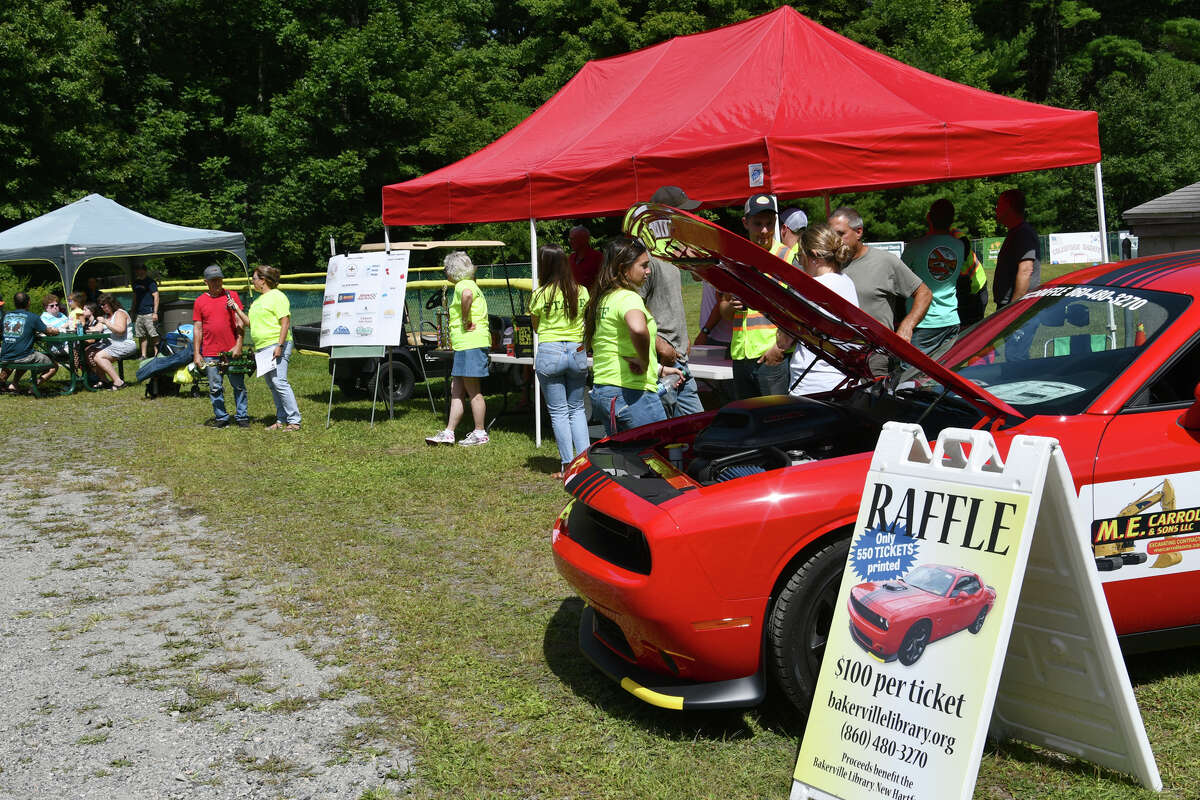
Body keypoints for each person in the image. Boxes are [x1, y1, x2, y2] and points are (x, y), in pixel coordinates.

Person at [585, 236, 682, 435]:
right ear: (623, 268)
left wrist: (658, 369)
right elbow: (638, 329)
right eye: (643, 266)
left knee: (627, 461)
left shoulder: (605, 298)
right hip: (631, 394)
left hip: (605, 392)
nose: (648, 271)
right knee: (659, 453)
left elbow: (616, 346)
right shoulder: (629, 297)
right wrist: (644, 361)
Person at [830, 206, 931, 376]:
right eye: (831, 235)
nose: (835, 241)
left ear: (859, 232)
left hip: (876, 358)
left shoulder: (885, 262)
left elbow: (924, 293)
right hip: (837, 354)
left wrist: (907, 325)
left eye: (841, 234)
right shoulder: (830, 264)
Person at [640, 185, 704, 417]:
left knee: (695, 423)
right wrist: (659, 344)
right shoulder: (645, 257)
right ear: (665, 216)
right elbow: (632, 307)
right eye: (682, 213)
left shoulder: (670, 252)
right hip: (661, 362)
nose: (688, 218)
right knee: (666, 430)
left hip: (679, 359)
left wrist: (683, 338)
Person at [776, 224, 861, 396]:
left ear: (814, 256)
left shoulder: (811, 289)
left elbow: (783, 342)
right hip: (844, 379)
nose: (800, 263)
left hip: (812, 383)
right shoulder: (846, 281)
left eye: (800, 257)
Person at [720, 194, 789, 398]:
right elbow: (724, 310)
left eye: (769, 223)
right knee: (751, 423)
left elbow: (800, 313)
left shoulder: (787, 259)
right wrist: (731, 306)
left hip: (771, 357)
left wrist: (779, 348)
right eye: (758, 224)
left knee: (776, 423)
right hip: (741, 356)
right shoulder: (735, 260)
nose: (764, 230)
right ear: (745, 223)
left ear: (776, 222)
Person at [529, 244, 589, 476]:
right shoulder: (581, 291)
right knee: (577, 409)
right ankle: (586, 464)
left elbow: (536, 326)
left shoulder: (539, 294)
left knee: (559, 412)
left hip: (550, 351)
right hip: (577, 350)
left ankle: (567, 466)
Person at [426, 252, 491, 447]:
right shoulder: (468, 283)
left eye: (446, 269)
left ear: (453, 271)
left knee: (473, 390)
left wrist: (465, 320)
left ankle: (480, 432)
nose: (445, 272)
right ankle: (449, 432)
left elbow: (467, 296)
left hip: (471, 342)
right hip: (465, 344)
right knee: (456, 389)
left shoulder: (464, 286)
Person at [229, 266, 301, 431]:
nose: (253, 282)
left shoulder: (278, 296)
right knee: (272, 384)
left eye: (254, 278)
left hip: (276, 344)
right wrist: (237, 310)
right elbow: (250, 323)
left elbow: (285, 322)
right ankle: (281, 420)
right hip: (262, 348)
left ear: (263, 280)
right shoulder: (257, 301)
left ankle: (294, 420)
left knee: (279, 381)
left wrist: (280, 345)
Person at [900, 198, 965, 355]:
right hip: (951, 319)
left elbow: (899, 277)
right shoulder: (960, 245)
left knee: (913, 372)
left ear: (929, 217)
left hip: (923, 321)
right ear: (952, 219)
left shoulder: (915, 247)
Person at [192, 264, 248, 428]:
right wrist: (197, 353)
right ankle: (221, 417)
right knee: (215, 387)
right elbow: (197, 328)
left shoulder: (232, 297)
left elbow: (239, 323)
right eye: (213, 281)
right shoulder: (200, 301)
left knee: (238, 385)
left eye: (219, 280)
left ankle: (242, 416)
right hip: (210, 352)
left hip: (232, 351)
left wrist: (238, 345)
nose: (217, 283)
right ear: (206, 282)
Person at [1, 291, 60, 391]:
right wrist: (55, 330)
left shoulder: (6, 316)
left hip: (6, 354)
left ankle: (13, 384)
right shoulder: (33, 317)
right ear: (28, 302)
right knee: (53, 366)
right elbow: (48, 331)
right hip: (23, 356)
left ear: (15, 303)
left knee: (24, 355)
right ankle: (33, 387)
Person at [994, 188, 1041, 309]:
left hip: (1018, 307)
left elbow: (1025, 271)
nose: (996, 209)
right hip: (1011, 304)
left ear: (1009, 207)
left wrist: (1013, 309)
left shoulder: (1023, 233)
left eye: (999, 205)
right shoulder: (1016, 232)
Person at [85, 294, 136, 389]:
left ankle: (118, 382)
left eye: (104, 304)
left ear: (111, 303)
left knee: (98, 356)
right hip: (109, 344)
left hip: (124, 343)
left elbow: (121, 330)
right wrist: (85, 328)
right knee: (88, 352)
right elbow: (97, 329)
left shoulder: (120, 313)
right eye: (100, 305)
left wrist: (106, 322)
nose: (102, 307)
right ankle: (104, 380)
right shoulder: (105, 316)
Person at [131, 262, 161, 358]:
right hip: (139, 313)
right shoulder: (135, 283)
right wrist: (132, 310)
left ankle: (157, 353)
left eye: (139, 269)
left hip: (150, 312)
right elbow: (135, 297)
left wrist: (155, 313)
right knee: (141, 335)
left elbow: (156, 296)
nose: (138, 271)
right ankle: (143, 355)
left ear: (144, 270)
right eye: (136, 270)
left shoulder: (150, 282)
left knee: (153, 334)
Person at [568, 226, 603, 291]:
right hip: (573, 298)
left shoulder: (598, 257)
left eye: (573, 239)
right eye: (570, 239)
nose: (570, 242)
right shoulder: (571, 258)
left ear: (584, 239)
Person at [39, 294, 70, 361]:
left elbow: (71, 325)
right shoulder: (44, 317)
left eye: (57, 305)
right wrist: (65, 326)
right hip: (58, 347)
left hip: (69, 342)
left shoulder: (61, 315)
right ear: (46, 307)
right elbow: (51, 331)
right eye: (52, 306)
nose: (55, 307)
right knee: (80, 350)